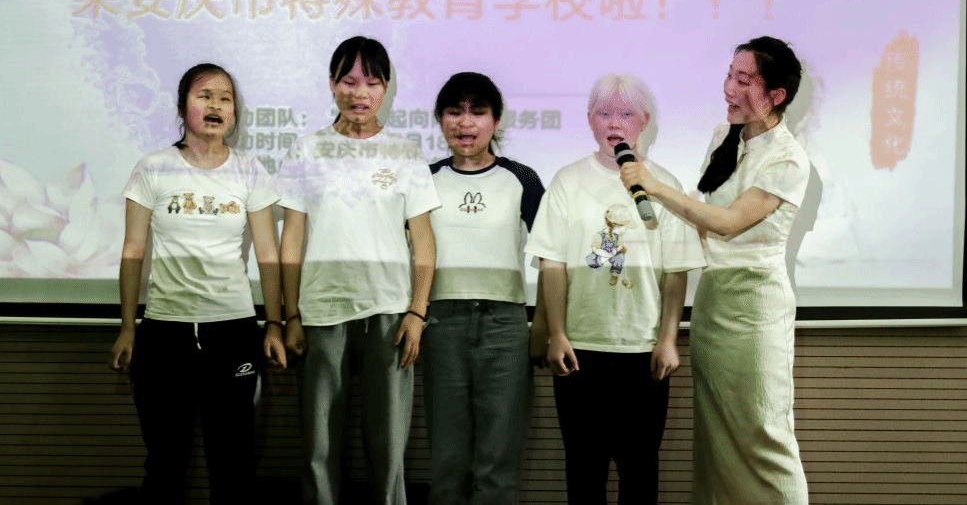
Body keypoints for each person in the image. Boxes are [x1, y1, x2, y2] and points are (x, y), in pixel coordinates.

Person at [618, 36, 810, 504]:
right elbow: (705, 222)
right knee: (716, 436)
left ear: (777, 95)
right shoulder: (724, 136)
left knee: (763, 431)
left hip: (756, 305)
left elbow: (727, 223)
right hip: (713, 300)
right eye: (729, 74)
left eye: (744, 80)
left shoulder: (787, 157)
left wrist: (654, 186)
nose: (729, 88)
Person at [109, 62, 286, 504]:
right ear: (182, 106)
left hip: (233, 330)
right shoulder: (153, 168)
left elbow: (268, 255)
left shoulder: (250, 171)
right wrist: (128, 326)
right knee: (165, 460)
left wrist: (275, 323)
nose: (215, 106)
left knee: (233, 460)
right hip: (164, 331)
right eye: (204, 95)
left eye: (225, 98)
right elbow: (133, 251)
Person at [526, 74, 705, 505]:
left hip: (642, 352)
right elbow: (553, 264)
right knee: (583, 470)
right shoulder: (568, 181)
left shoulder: (662, 184)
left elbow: (675, 273)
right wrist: (557, 334)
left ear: (644, 121)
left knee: (639, 470)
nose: (614, 123)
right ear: (590, 120)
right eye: (604, 113)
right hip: (579, 350)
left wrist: (667, 339)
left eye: (626, 113)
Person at [278, 36, 440, 505]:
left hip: (390, 312)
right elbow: (292, 240)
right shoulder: (307, 151)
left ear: (386, 88)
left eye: (371, 82)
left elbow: (423, 240)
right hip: (322, 310)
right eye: (348, 81)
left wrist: (417, 312)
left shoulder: (404, 153)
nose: (359, 93)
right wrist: (291, 315)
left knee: (388, 448)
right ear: (332, 85)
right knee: (319, 446)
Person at [424, 72, 546, 505]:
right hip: (441, 324)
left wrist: (545, 325)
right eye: (453, 112)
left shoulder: (522, 179)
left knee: (499, 456)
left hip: (504, 326)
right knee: (448, 456)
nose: (465, 123)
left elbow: (552, 257)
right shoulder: (424, 179)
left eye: (477, 112)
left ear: (496, 120)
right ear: (439, 119)